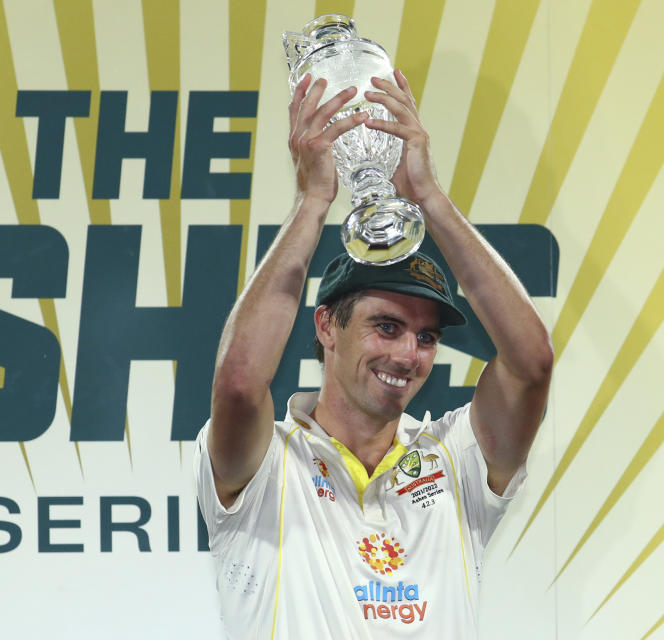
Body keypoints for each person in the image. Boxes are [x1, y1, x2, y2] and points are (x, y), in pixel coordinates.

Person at [193, 70, 553, 638]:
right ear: (328, 327)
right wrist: (313, 200)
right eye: (386, 327)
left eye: (427, 336)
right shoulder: (268, 462)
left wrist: (429, 197)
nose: (409, 354)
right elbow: (239, 384)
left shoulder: (455, 459)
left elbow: (532, 365)